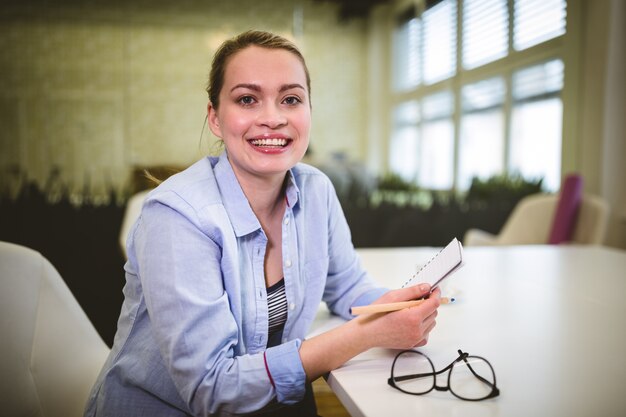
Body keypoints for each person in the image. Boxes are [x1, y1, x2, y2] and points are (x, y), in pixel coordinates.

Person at [84, 30, 441, 417]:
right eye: (247, 99)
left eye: (290, 99)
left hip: (270, 405)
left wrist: (394, 309)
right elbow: (213, 390)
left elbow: (347, 286)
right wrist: (369, 333)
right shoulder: (177, 217)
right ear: (215, 118)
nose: (272, 118)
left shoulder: (316, 190)